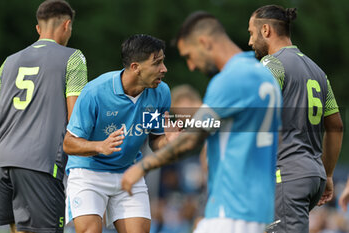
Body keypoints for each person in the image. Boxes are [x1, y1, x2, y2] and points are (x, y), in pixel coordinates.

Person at [121, 11, 282, 233]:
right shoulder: (264, 76)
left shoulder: (229, 80)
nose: (191, 66)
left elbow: (191, 139)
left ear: (204, 42)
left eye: (189, 56)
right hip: (258, 208)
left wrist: (143, 166)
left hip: (232, 209)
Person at [63, 34, 175, 233]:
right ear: (135, 67)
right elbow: (69, 144)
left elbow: (155, 140)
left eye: (163, 62)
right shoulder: (95, 92)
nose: (164, 69)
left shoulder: (161, 92)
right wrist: (99, 146)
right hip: (88, 172)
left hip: (129, 172)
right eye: (157, 63)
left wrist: (171, 142)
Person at [248, 5, 343, 233]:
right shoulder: (318, 71)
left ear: (266, 30)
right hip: (312, 177)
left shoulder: (272, 64)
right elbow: (336, 126)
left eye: (251, 33)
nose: (250, 42)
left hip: (286, 174)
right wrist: (327, 173)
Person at [0, 0, 87, 232]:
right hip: (40, 162)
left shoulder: (8, 63)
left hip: (2, 159)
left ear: (38, 28)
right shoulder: (73, 58)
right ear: (67, 25)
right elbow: (76, 118)